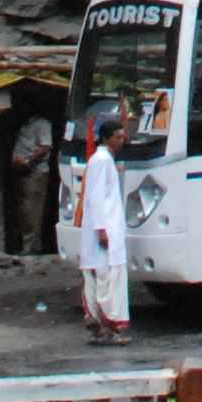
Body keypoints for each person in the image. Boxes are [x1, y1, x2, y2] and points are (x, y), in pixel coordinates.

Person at [76, 106, 133, 344]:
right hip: (104, 230)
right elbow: (96, 197)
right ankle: (109, 329)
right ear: (107, 138)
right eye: (117, 137)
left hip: (107, 228)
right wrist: (102, 229)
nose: (121, 141)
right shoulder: (101, 161)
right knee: (107, 280)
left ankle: (101, 328)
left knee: (101, 277)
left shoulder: (104, 160)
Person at [9, 110, 57, 256]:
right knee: (24, 210)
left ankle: (31, 247)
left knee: (32, 210)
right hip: (23, 172)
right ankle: (27, 245)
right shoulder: (25, 124)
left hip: (35, 172)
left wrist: (27, 161)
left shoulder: (42, 124)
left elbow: (46, 146)